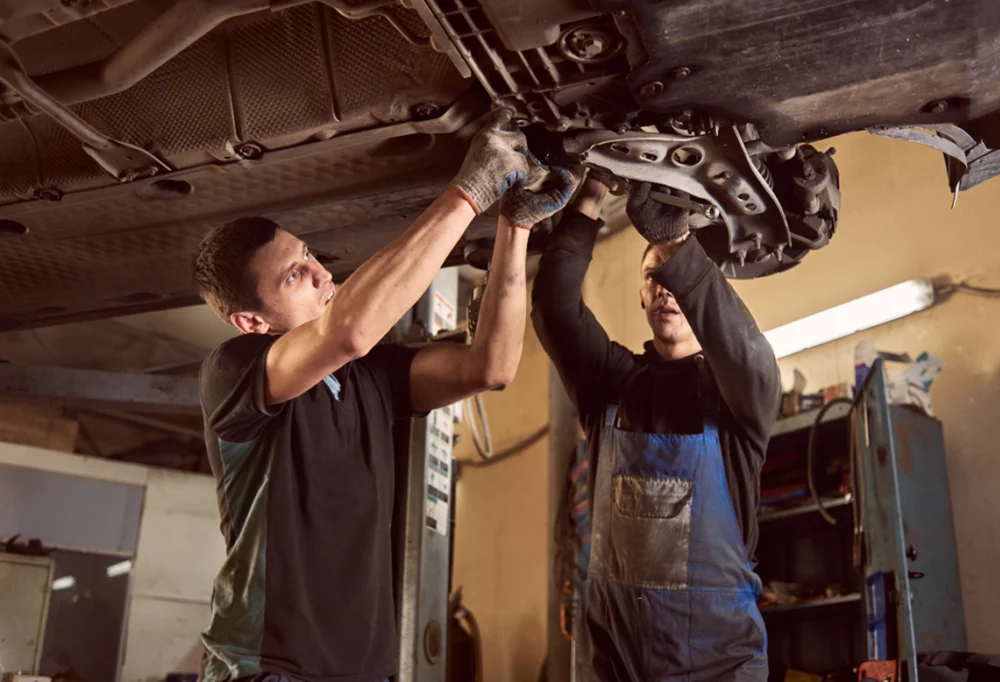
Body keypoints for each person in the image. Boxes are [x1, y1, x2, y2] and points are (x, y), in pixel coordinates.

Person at [190, 109, 579, 682]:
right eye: (294, 276)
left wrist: (514, 225)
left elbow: (491, 367)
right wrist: (469, 193)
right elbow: (348, 330)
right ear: (251, 321)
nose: (321, 274)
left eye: (308, 256)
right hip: (267, 670)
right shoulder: (235, 371)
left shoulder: (367, 375)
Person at [532, 178, 782, 681]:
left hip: (719, 665)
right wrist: (587, 197)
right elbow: (555, 309)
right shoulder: (610, 385)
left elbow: (749, 358)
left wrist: (672, 240)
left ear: (701, 293)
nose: (665, 288)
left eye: (673, 275)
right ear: (642, 297)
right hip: (616, 663)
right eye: (652, 276)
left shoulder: (737, 399)